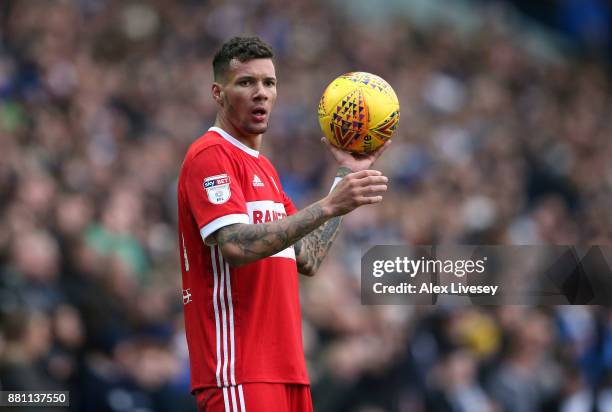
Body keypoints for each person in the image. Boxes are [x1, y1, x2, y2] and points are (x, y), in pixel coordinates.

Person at [177, 36, 389, 412]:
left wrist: (343, 179)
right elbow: (235, 246)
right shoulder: (210, 155)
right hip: (239, 370)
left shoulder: (267, 170)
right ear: (218, 93)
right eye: (246, 82)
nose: (261, 93)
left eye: (269, 83)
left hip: (288, 371)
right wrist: (326, 206)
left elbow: (306, 257)